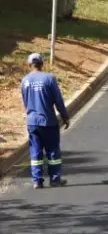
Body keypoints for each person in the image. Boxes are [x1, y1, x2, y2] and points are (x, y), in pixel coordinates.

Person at [21, 53, 70, 189]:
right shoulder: (49, 78)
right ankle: (55, 179)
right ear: (42, 64)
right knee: (53, 150)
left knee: (35, 151)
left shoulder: (25, 81)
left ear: (29, 65)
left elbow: (25, 101)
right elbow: (58, 101)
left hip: (32, 122)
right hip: (48, 121)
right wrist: (65, 116)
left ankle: (37, 180)